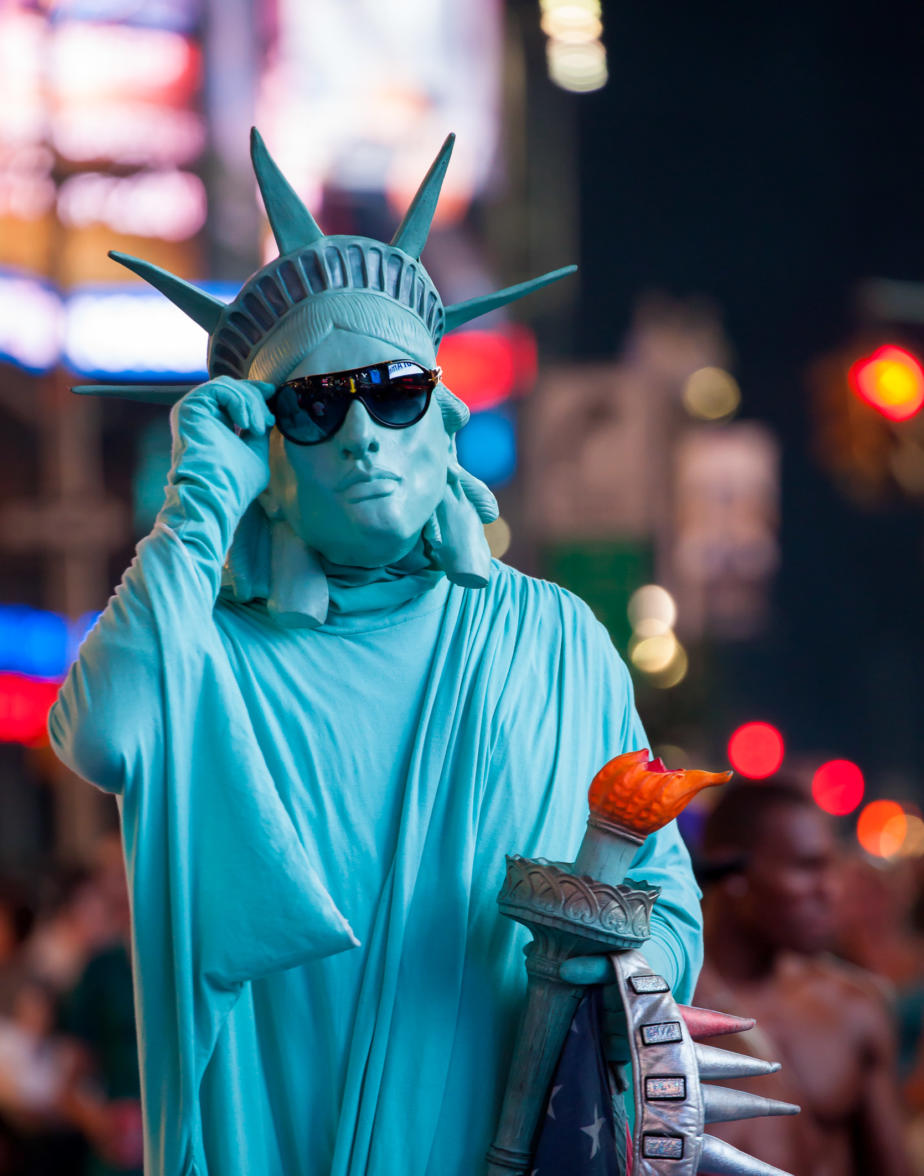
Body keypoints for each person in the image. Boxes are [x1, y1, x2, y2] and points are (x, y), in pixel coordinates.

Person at [48, 130, 703, 1176]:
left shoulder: (555, 640)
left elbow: (665, 895)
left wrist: (622, 965)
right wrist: (198, 505)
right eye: (312, 407)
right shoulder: (207, 649)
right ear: (269, 453)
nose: (360, 436)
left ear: (445, 423)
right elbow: (106, 733)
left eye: (393, 393)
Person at [694, 780, 912, 1176]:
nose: (830, 889)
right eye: (806, 867)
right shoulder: (670, 1010)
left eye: (832, 866)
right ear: (732, 874)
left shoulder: (854, 1005)